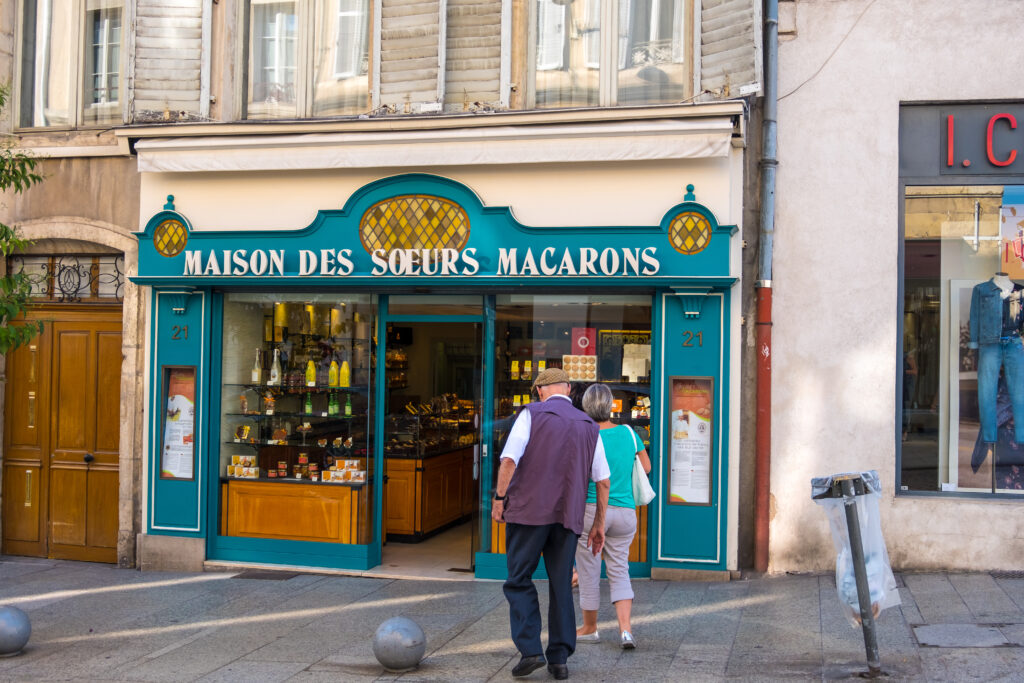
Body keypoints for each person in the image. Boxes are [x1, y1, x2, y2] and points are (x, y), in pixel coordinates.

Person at [492, 367, 611, 680]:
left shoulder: (531, 414)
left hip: (529, 513)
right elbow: (603, 481)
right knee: (561, 585)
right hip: (568, 517)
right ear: (569, 390)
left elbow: (508, 460)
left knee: (518, 579)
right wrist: (598, 523)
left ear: (541, 391)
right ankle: (559, 659)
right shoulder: (589, 424)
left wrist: (499, 498)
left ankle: (531, 650)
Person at [574, 383, 651, 650]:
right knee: (620, 569)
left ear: (585, 406)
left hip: (592, 511)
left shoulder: (584, 435)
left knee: (589, 572)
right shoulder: (629, 433)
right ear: (609, 406)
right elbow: (646, 466)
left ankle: (590, 628)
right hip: (626, 512)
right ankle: (625, 630)